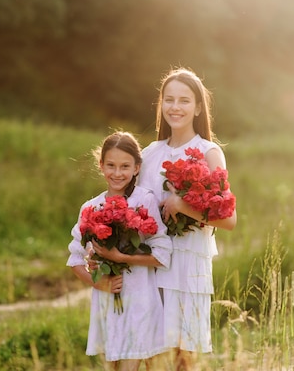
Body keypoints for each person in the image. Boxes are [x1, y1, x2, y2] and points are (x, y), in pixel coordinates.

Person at [137, 67, 238, 370]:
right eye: (169, 100)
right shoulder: (150, 153)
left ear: (197, 108)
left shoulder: (208, 153)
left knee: (183, 354)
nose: (175, 107)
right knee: (149, 352)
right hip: (151, 261)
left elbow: (229, 219)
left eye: (184, 100)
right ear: (161, 105)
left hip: (188, 263)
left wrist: (182, 204)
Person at [66, 131, 173, 371]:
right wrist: (98, 283)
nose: (117, 173)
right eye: (111, 165)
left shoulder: (144, 200)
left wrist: (120, 257)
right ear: (101, 165)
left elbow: (163, 253)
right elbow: (74, 259)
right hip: (107, 302)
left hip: (140, 299)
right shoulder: (91, 207)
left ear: (137, 168)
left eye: (125, 166)